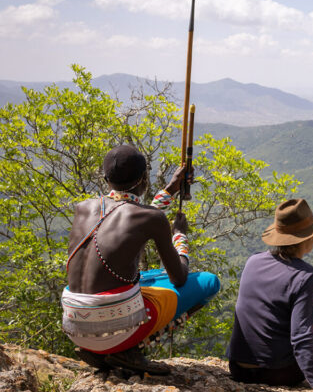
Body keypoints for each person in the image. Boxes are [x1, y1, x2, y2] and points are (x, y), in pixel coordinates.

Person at [63, 144, 221, 375]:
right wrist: (180, 237)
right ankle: (129, 349)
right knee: (208, 282)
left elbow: (126, 215)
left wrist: (170, 189)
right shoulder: (150, 218)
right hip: (114, 333)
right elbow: (179, 277)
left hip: (74, 325)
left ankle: (103, 349)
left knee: (152, 276)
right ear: (143, 179)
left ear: (106, 178)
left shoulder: (83, 208)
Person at [227, 198, 313, 392]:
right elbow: (300, 336)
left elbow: (275, 294)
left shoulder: (253, 261)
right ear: (306, 238)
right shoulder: (306, 275)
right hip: (279, 373)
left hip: (238, 368)